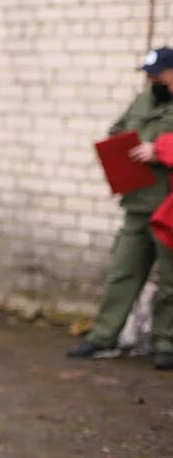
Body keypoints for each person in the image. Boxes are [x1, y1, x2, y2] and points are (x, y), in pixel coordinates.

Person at [68, 47, 173, 370]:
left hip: (168, 208)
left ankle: (165, 343)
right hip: (138, 203)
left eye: (157, 73)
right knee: (122, 272)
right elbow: (118, 129)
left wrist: (157, 150)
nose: (151, 79)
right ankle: (103, 338)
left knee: (170, 281)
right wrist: (121, 146)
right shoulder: (143, 101)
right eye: (148, 73)